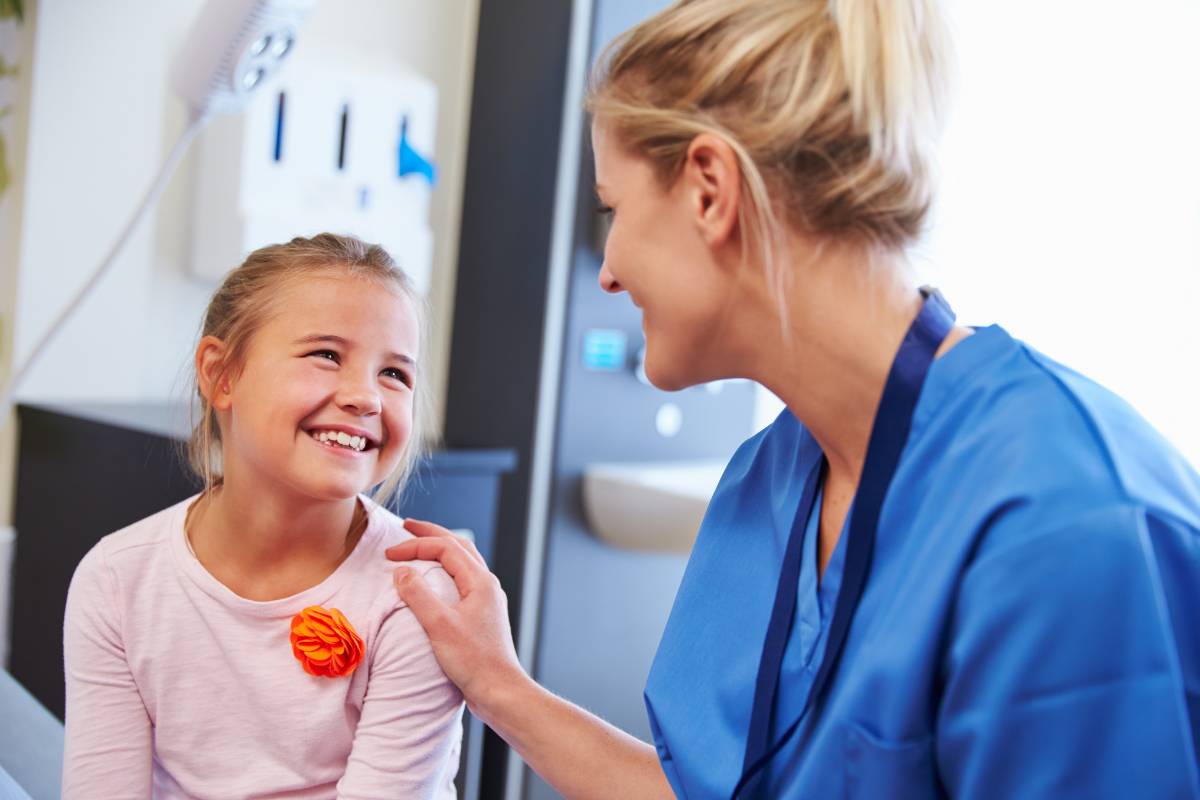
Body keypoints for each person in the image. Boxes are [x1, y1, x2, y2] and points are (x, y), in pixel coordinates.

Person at [387, 0, 1200, 798]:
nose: (609, 268)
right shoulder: (768, 482)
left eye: (615, 211)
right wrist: (498, 685)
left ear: (709, 189)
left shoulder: (1072, 520)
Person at [62, 234, 464, 798]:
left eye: (394, 374)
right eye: (327, 355)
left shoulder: (416, 596)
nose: (366, 397)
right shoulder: (117, 579)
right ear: (221, 375)